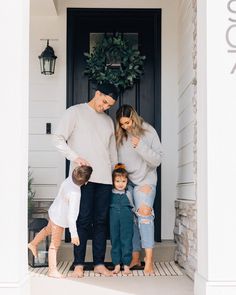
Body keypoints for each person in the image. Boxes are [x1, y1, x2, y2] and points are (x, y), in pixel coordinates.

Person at [53, 83, 119, 277]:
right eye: (104, 101)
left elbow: (112, 153)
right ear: (97, 93)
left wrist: (115, 174)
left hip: (105, 180)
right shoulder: (75, 112)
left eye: (109, 105)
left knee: (100, 221)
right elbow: (57, 138)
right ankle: (79, 263)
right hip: (83, 179)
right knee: (82, 220)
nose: (105, 107)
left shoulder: (108, 122)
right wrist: (74, 157)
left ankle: (99, 263)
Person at [115, 104, 163, 275]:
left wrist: (140, 146)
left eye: (127, 123)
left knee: (144, 215)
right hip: (127, 182)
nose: (125, 127)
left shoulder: (148, 131)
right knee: (130, 219)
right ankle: (135, 257)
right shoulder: (120, 136)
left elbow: (157, 160)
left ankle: (148, 260)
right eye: (122, 124)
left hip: (145, 181)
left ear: (133, 118)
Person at [28, 166, 93, 278]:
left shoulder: (67, 180)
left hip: (53, 213)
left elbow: (76, 171)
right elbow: (71, 216)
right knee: (55, 244)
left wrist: (78, 163)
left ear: (73, 172)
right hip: (59, 220)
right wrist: (74, 234)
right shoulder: (75, 194)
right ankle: (52, 270)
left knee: (47, 230)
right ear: (86, 182)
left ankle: (33, 243)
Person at [109, 163, 134, 275]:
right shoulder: (110, 194)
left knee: (126, 240)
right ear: (113, 181)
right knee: (115, 240)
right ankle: (117, 264)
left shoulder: (128, 193)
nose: (120, 184)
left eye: (123, 181)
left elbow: (132, 207)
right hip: (113, 219)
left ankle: (126, 265)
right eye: (117, 181)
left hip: (126, 220)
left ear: (127, 181)